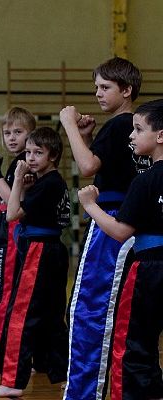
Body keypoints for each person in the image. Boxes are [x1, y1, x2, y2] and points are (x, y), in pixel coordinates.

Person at [59, 57, 148, 400]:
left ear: (127, 90)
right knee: (116, 313)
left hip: (110, 221)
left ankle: (83, 393)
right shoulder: (132, 129)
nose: (97, 93)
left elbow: (86, 167)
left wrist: (68, 124)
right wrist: (86, 137)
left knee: (89, 310)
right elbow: (101, 164)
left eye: (105, 87)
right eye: (96, 86)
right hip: (132, 224)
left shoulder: (120, 124)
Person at [78, 99, 163, 400]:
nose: (131, 135)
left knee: (134, 343)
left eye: (138, 129)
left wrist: (90, 205)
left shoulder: (145, 180)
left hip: (149, 269)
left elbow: (120, 231)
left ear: (160, 136)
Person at [0, 127, 70, 398]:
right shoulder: (51, 182)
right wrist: (25, 187)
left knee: (21, 315)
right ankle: (63, 373)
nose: (31, 158)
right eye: (28, 152)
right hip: (53, 250)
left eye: (38, 153)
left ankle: (13, 381)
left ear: (53, 156)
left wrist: (16, 180)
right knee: (52, 316)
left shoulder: (48, 183)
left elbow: (11, 214)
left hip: (39, 251)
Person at [0, 107, 38, 373]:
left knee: (3, 296)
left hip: (15, 234)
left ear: (30, 134)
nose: (12, 137)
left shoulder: (25, 163)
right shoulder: (16, 163)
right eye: (7, 133)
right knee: (5, 295)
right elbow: (0, 200)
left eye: (18, 132)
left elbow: (14, 199)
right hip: (7, 228)